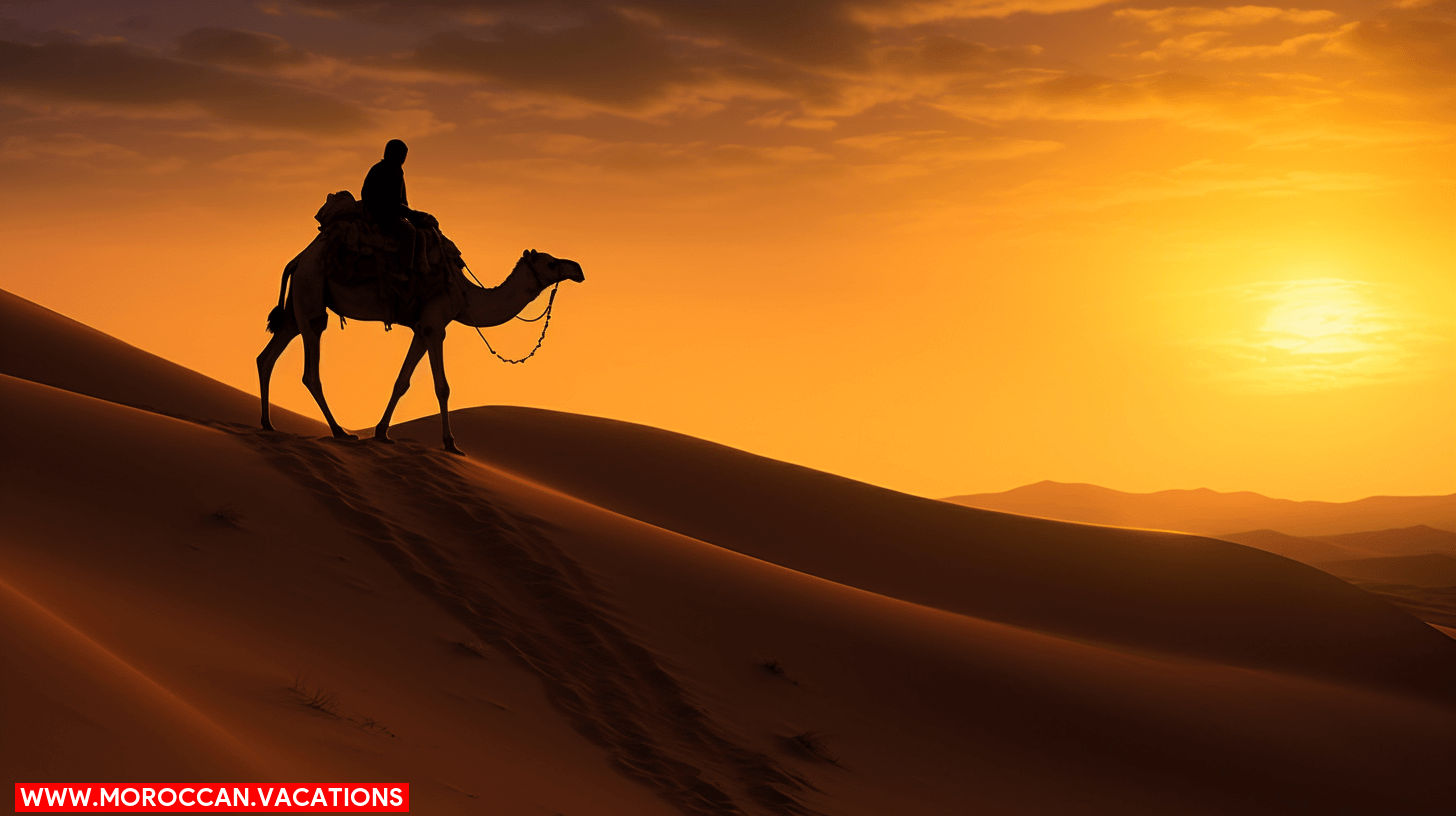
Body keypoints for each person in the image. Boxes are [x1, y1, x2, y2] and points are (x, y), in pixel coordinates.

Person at [361, 139, 416, 274]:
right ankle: (403, 271)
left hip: (394, 212)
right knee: (410, 232)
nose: (403, 159)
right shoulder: (381, 170)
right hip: (381, 214)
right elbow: (386, 201)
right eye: (401, 155)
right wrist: (410, 214)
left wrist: (409, 213)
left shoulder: (397, 171)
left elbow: (401, 199)